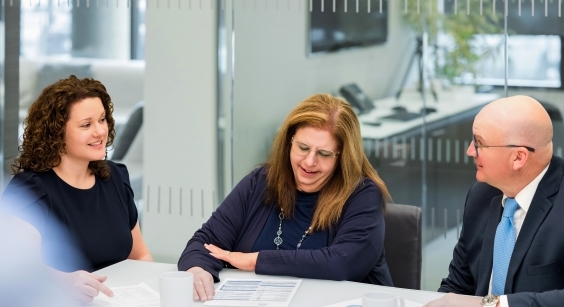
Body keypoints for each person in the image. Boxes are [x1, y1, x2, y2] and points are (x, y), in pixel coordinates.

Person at [178, 94, 394, 301]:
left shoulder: (363, 195)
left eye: (324, 154)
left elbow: (341, 263)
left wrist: (254, 260)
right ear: (289, 142)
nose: (309, 162)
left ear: (343, 158)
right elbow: (204, 243)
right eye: (303, 148)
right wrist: (198, 268)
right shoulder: (260, 182)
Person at [0, 75, 153, 304]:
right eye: (86, 124)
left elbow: (139, 255)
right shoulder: (30, 191)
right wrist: (64, 282)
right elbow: (23, 269)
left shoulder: (116, 178)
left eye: (102, 120)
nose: (100, 131)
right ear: (56, 132)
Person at [424, 95, 564, 307]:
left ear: (518, 157)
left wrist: (494, 305)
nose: (470, 151)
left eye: (479, 143)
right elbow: (459, 285)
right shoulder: (481, 195)